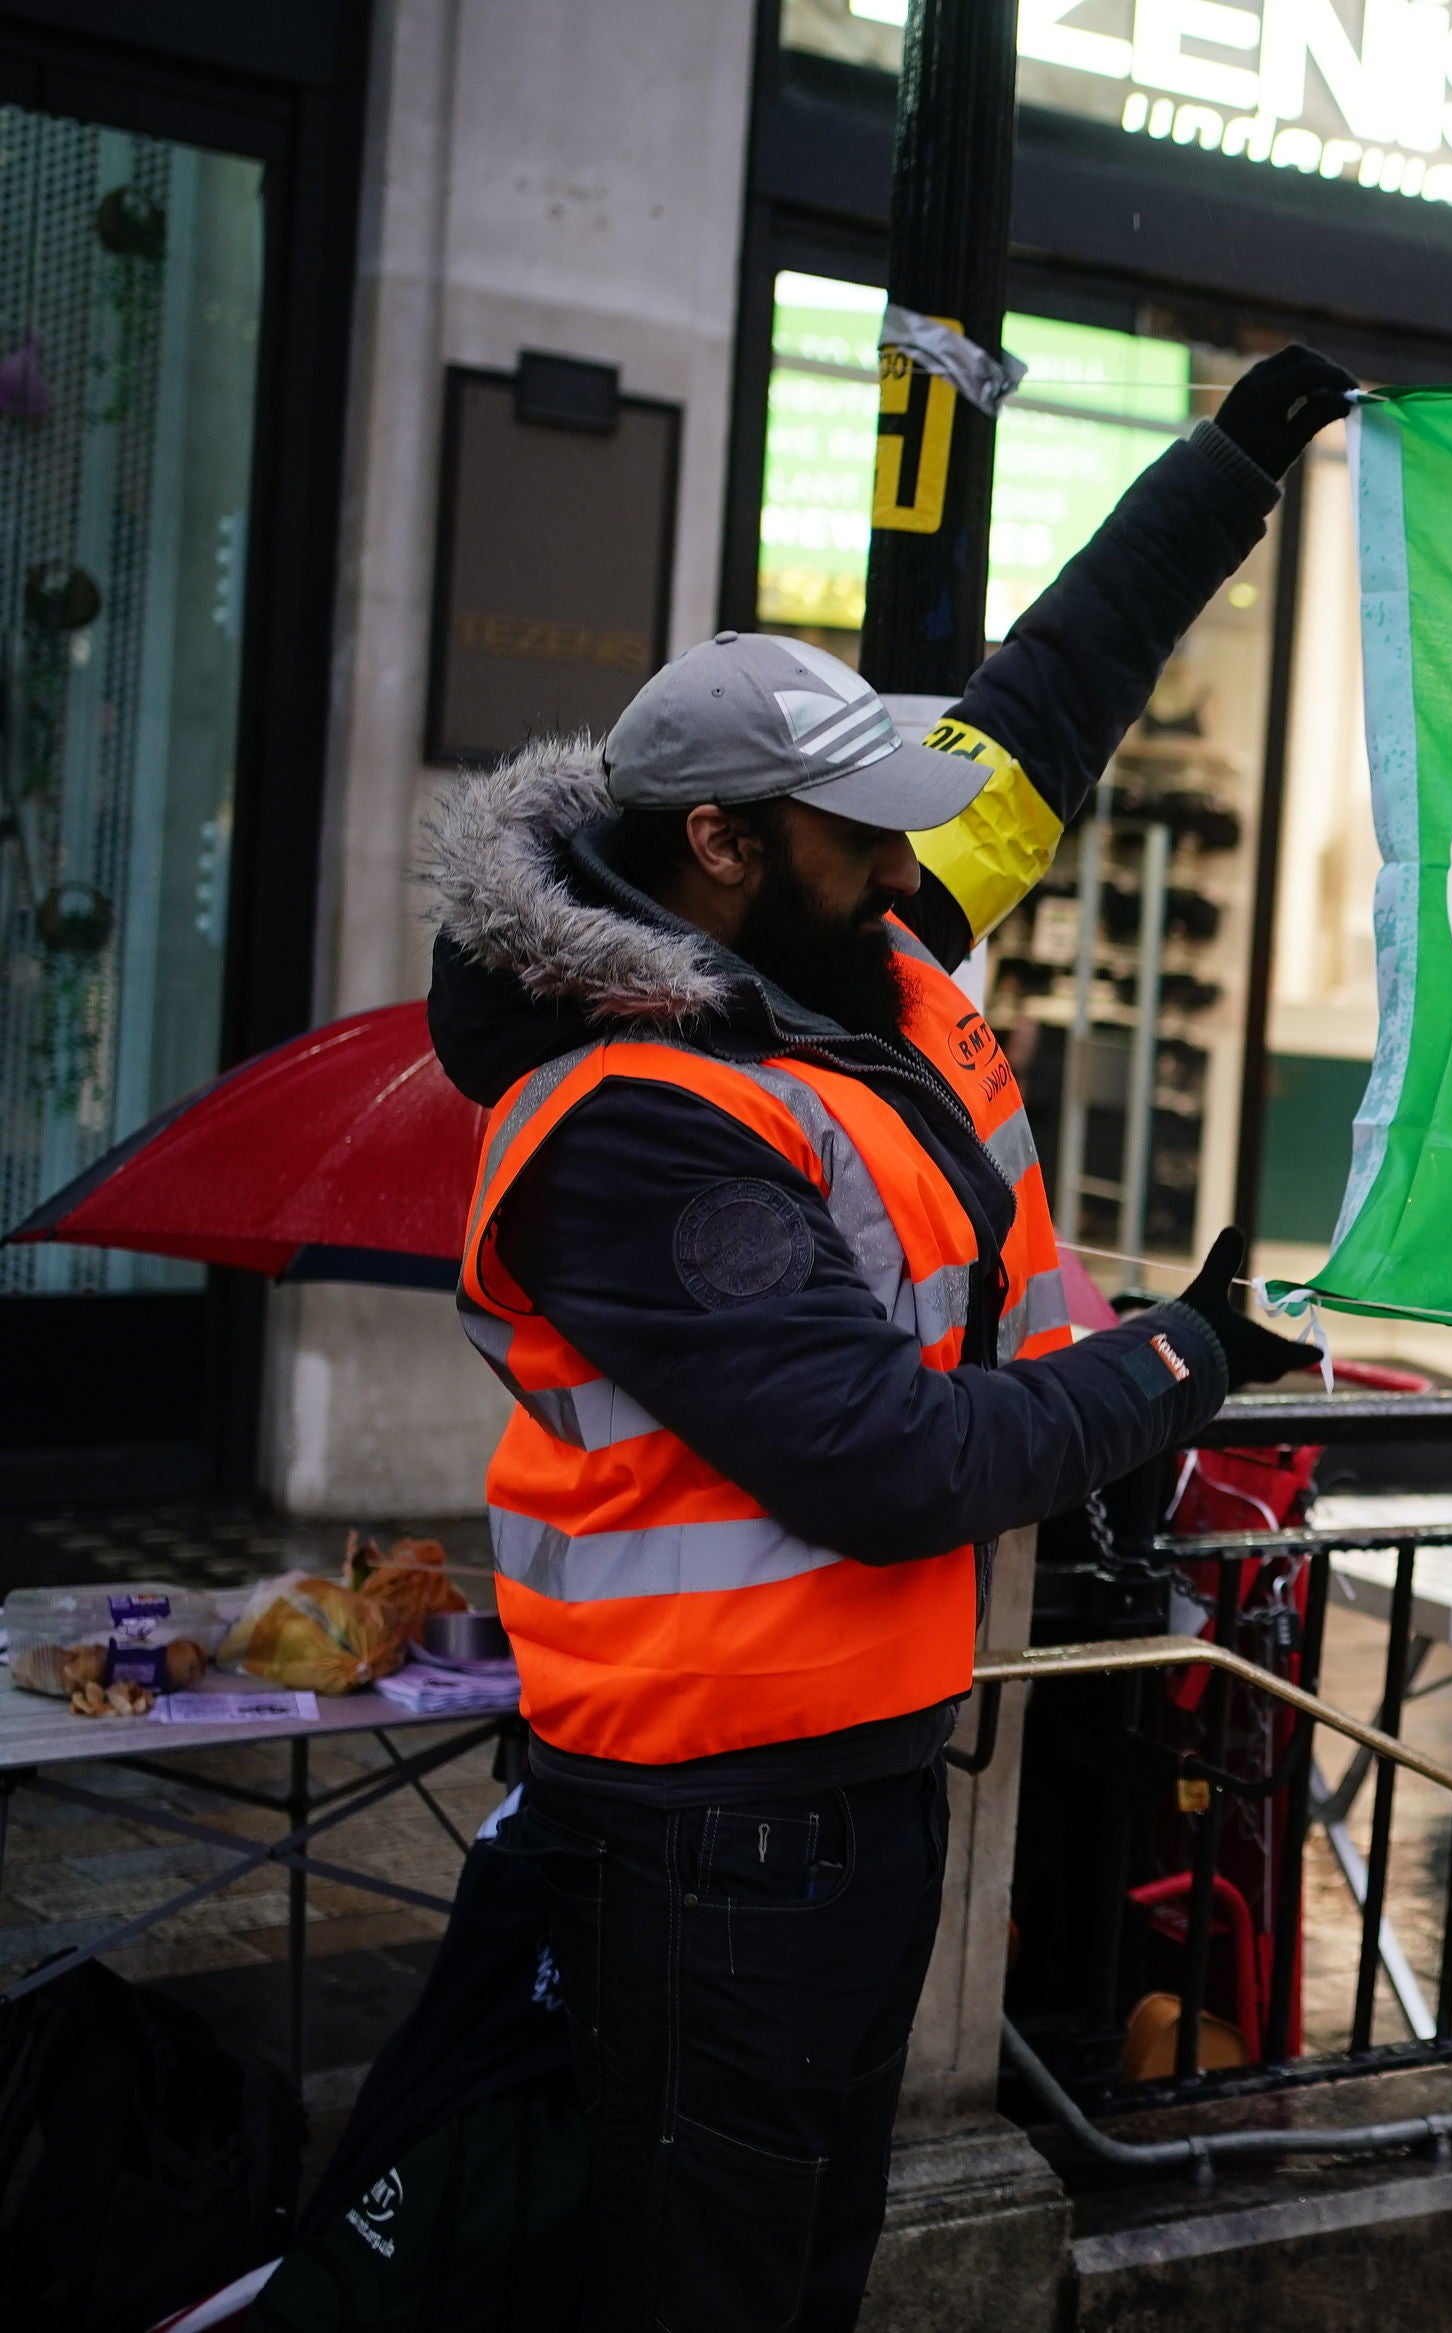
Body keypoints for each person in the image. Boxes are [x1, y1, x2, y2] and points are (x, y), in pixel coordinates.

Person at [421, 345, 1359, 2332]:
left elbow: (1045, 711)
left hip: (851, 1795)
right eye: (855, 829)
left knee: (804, 2283)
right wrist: (1183, 1358)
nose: (910, 859)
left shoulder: (867, 946)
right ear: (723, 847)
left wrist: (1231, 469)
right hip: (703, 1838)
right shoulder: (631, 1124)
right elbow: (883, 1464)